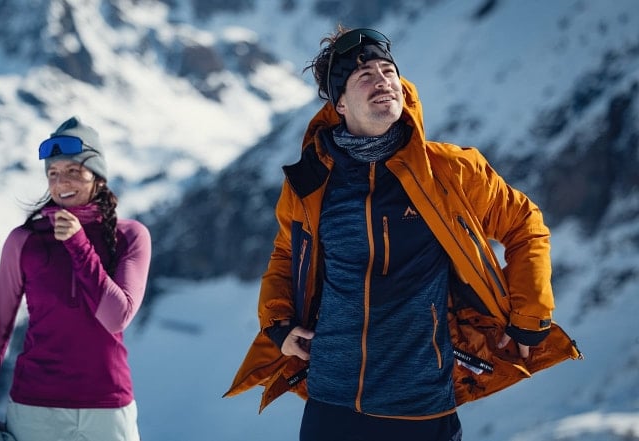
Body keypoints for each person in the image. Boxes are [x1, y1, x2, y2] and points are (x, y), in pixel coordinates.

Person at [224, 27, 582, 440]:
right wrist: (279, 324)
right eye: (364, 76)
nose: (382, 81)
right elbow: (288, 253)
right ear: (339, 103)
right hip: (332, 402)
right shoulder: (312, 181)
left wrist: (529, 316)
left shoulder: (449, 171)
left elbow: (525, 225)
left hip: (421, 406)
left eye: (387, 71)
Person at [0, 116, 151, 441]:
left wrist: (79, 245)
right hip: (35, 409)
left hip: (109, 408)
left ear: (99, 177)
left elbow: (116, 317)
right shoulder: (25, 241)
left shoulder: (130, 236)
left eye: (74, 171)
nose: (62, 182)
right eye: (53, 173)